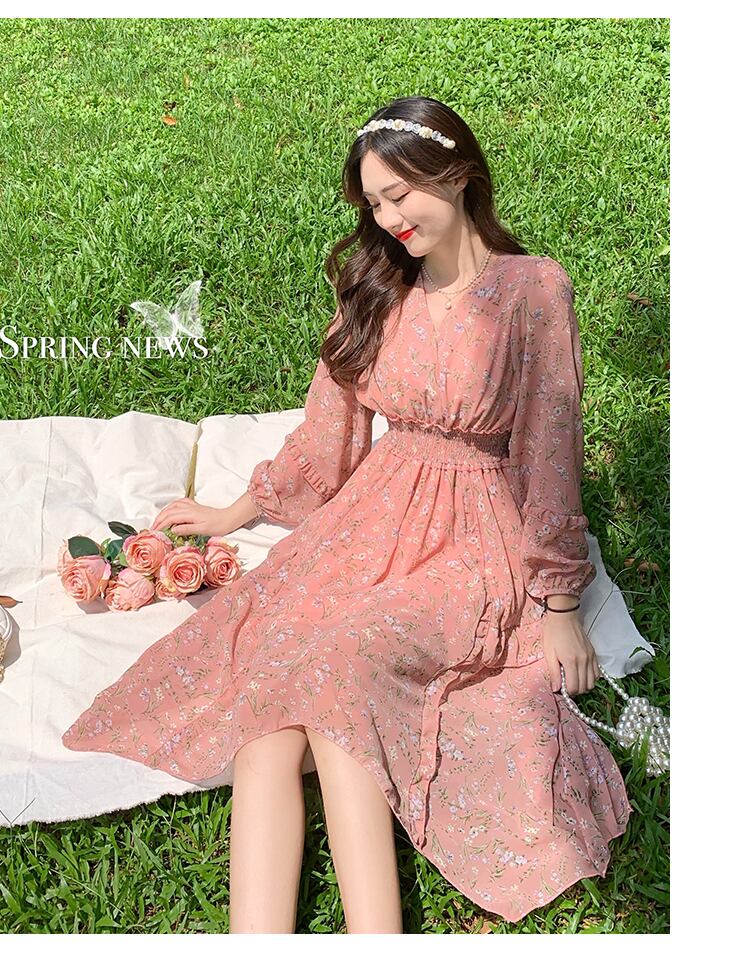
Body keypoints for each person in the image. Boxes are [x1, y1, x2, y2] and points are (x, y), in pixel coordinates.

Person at [62, 96, 632, 933]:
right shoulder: (377, 287)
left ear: (459, 174)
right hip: (372, 518)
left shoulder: (531, 288)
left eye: (401, 193)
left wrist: (557, 606)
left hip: (477, 534)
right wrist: (235, 511)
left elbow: (551, 448)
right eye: (373, 202)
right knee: (272, 696)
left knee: (343, 660)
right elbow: (329, 433)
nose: (390, 219)